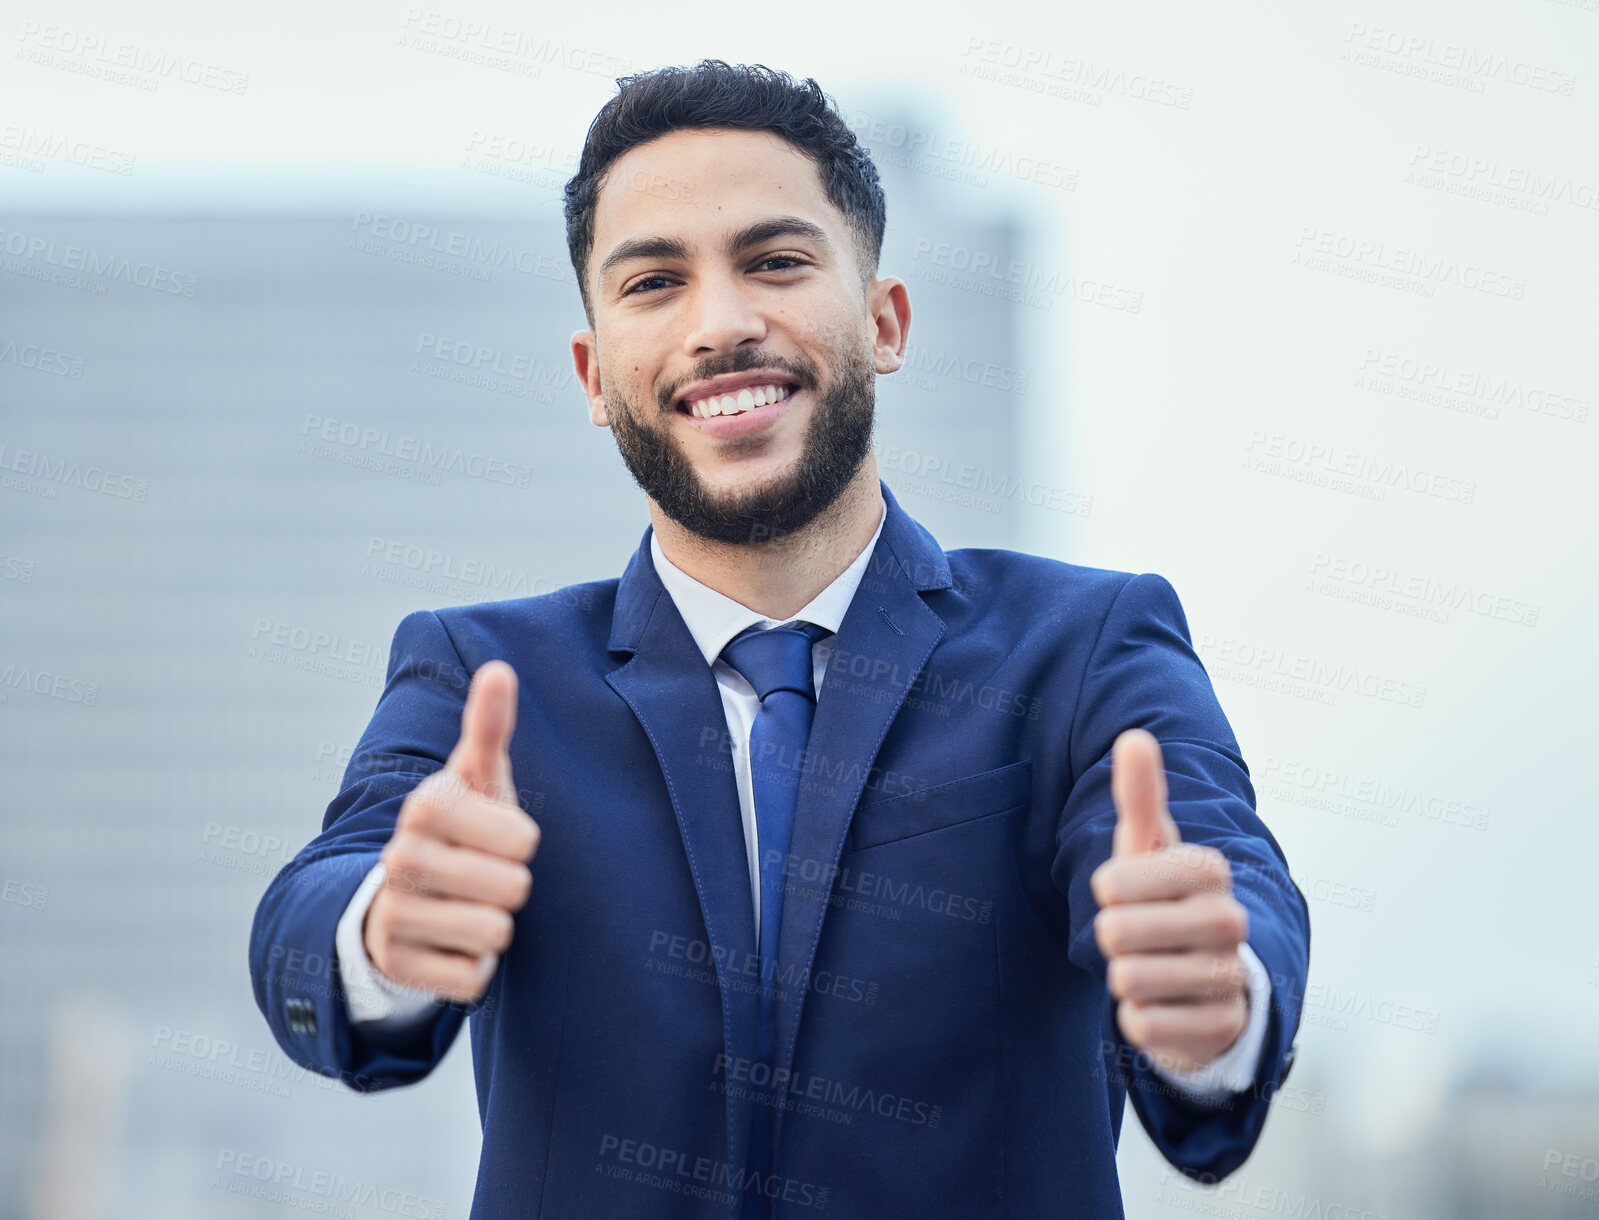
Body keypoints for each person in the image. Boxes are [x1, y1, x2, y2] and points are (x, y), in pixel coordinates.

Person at [249, 59, 1309, 1219]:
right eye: (654, 280)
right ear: (596, 376)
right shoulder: (482, 677)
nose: (723, 323)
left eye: (777, 261)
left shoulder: (1085, 647)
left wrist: (1217, 997)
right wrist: (385, 929)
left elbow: (1224, 875)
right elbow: (313, 915)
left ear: (884, 320)